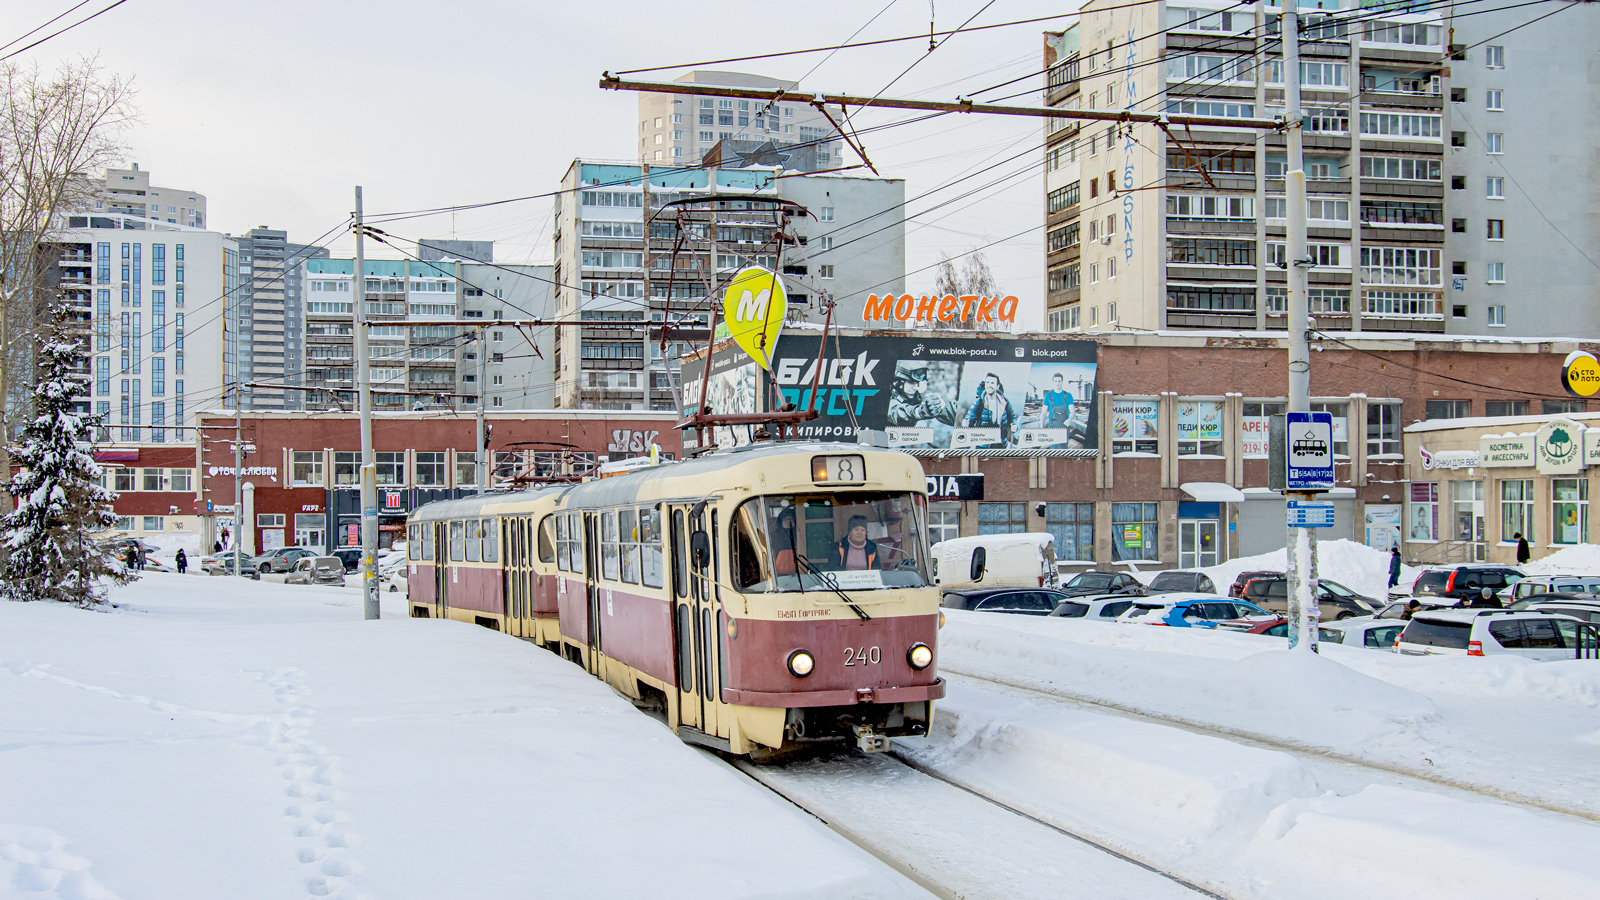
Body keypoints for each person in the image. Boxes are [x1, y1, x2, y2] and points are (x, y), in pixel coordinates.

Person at [962, 372, 1016, 447]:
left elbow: (1012, 417)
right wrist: (965, 426)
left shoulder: (1005, 402)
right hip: (982, 447)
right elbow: (969, 421)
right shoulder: (979, 403)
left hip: (1002, 445)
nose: (989, 385)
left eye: (992, 383)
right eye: (987, 382)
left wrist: (1014, 425)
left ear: (997, 386)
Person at [771, 507, 799, 577]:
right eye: (785, 519)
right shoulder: (774, 536)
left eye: (790, 519)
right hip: (780, 576)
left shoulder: (800, 535)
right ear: (781, 521)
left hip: (800, 575)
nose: (788, 521)